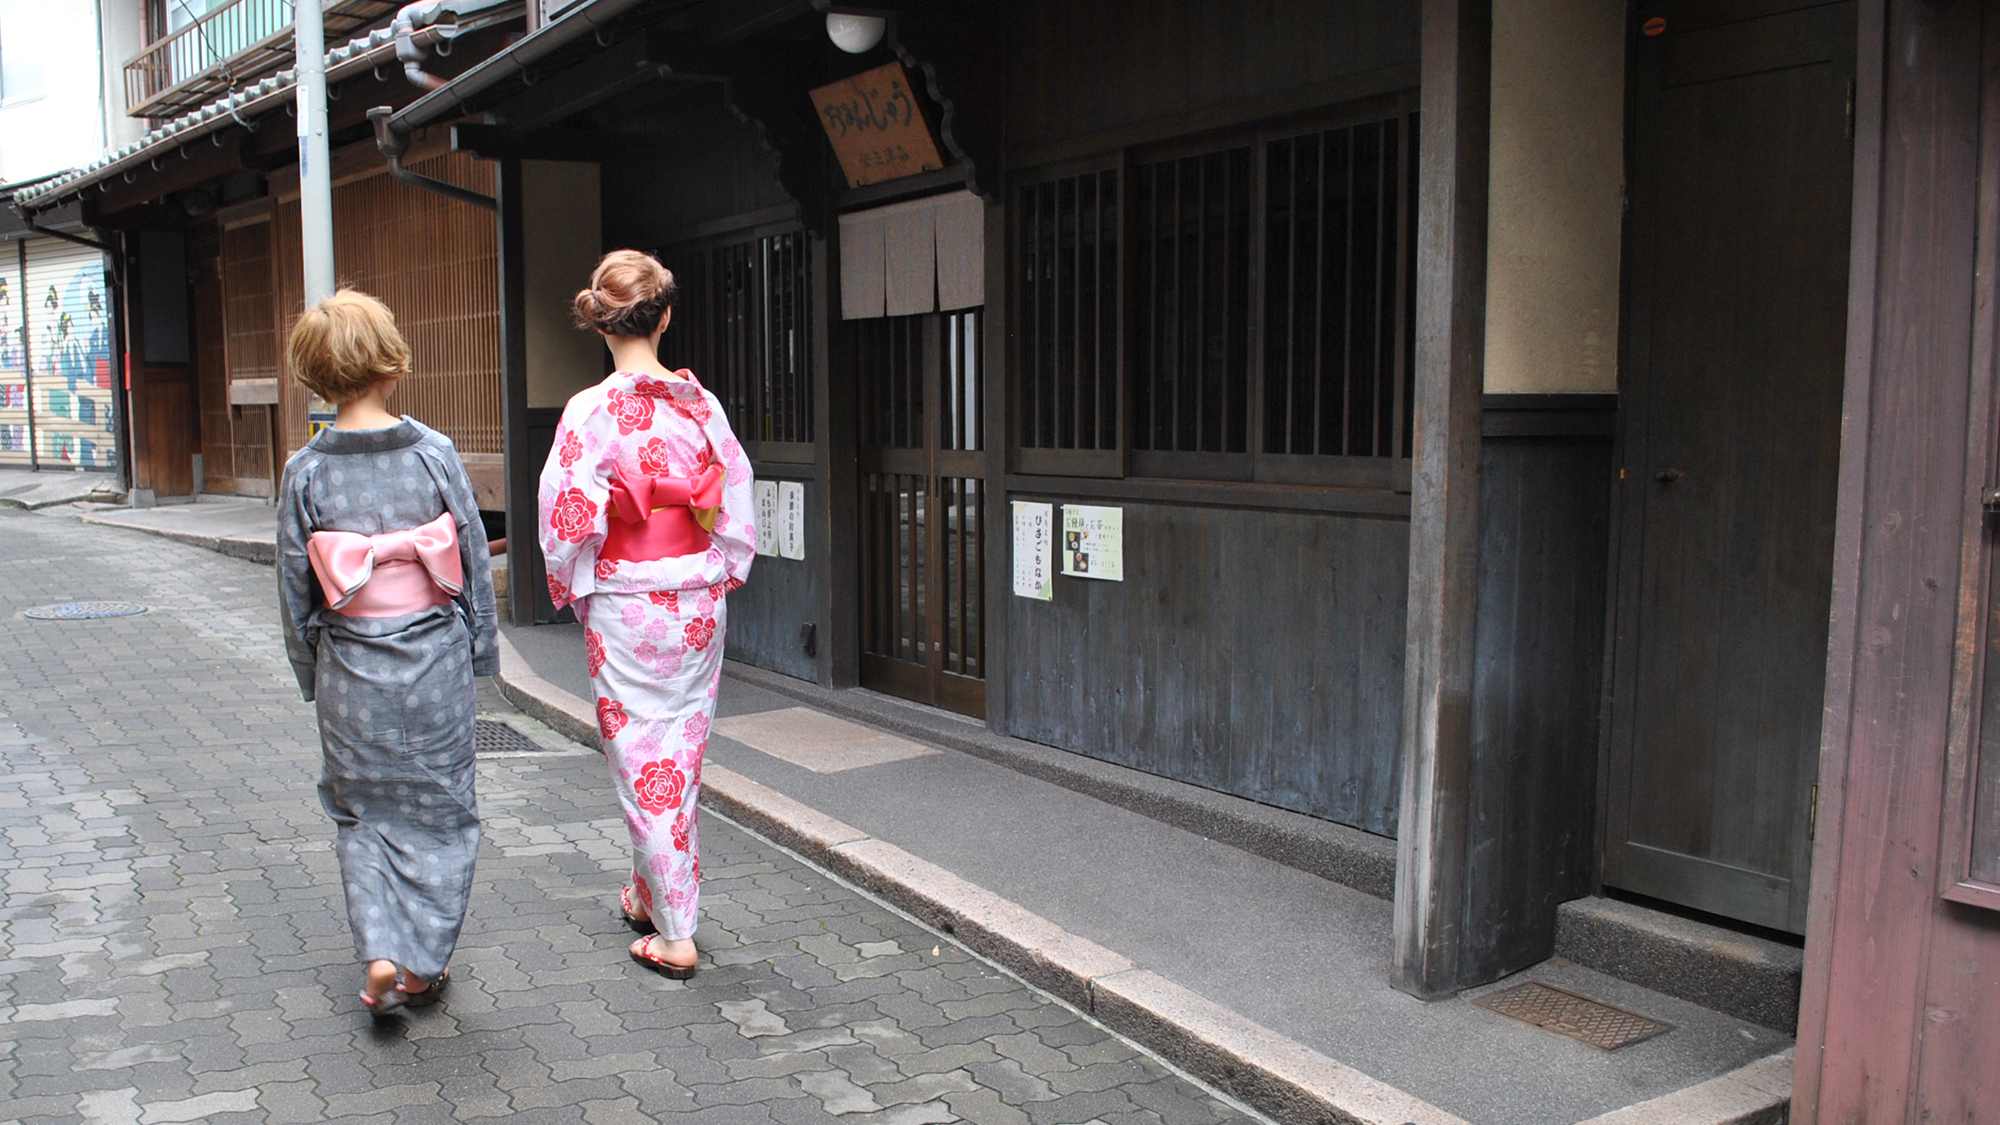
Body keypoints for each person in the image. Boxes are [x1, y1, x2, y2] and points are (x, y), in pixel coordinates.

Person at [276, 290, 498, 1014]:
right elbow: (470, 554)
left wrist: (311, 672)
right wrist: (480, 652)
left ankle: (379, 950)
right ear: (389, 364)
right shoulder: (432, 453)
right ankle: (422, 963)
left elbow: (294, 587)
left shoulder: (304, 471)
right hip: (432, 660)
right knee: (441, 809)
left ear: (315, 373)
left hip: (350, 670)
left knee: (362, 812)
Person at [537, 249, 755, 979]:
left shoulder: (590, 411)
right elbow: (734, 493)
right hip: (695, 597)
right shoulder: (703, 405)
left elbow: (567, 518)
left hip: (629, 599)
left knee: (641, 755)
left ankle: (676, 932)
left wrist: (574, 581)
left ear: (601, 323)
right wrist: (724, 564)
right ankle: (645, 889)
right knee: (676, 753)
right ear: (665, 317)